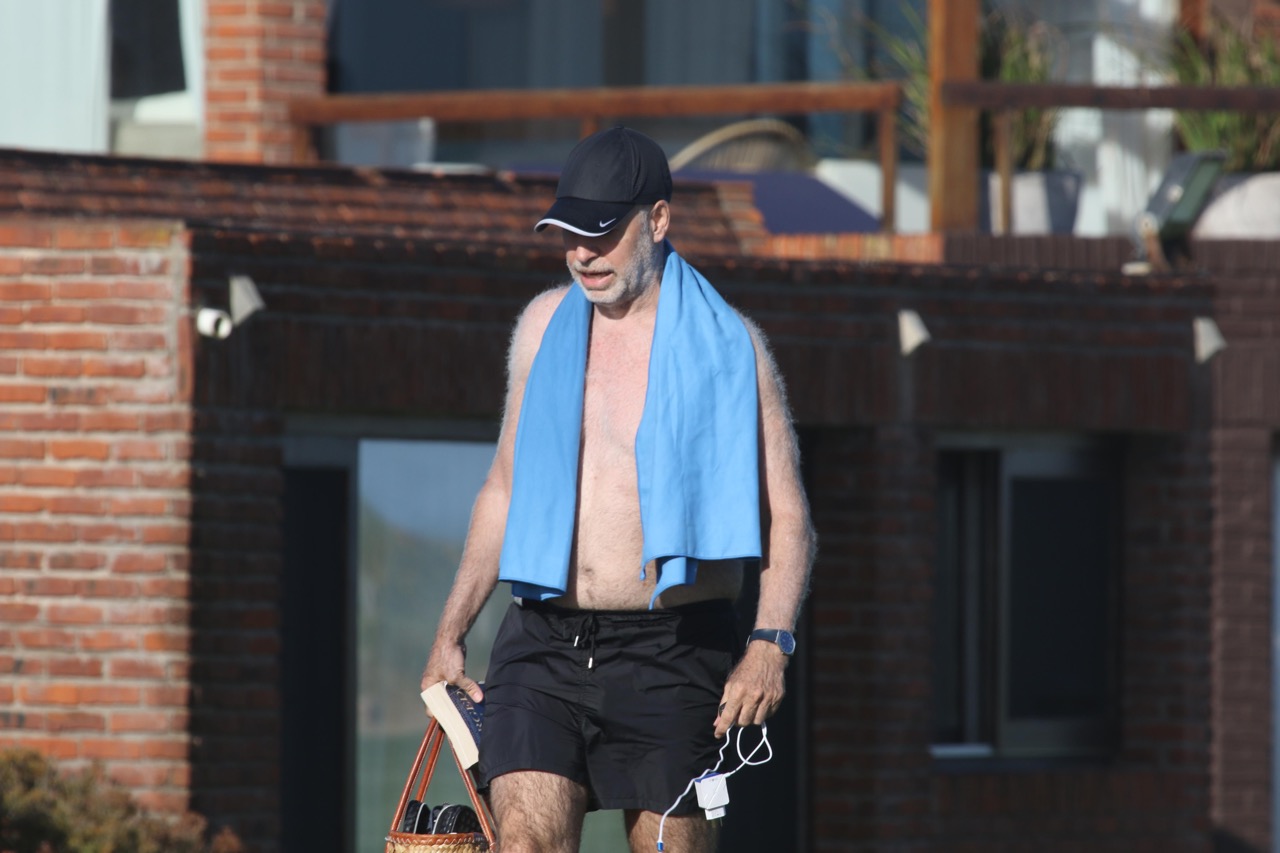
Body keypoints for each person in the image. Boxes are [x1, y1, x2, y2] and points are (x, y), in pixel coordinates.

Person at [420, 126, 815, 853]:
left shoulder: (733, 347)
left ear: (657, 220)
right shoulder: (541, 329)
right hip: (543, 643)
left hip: (674, 651)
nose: (582, 253)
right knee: (524, 844)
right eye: (569, 234)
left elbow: (788, 517)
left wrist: (769, 645)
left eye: (600, 233)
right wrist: (451, 631)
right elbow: (503, 490)